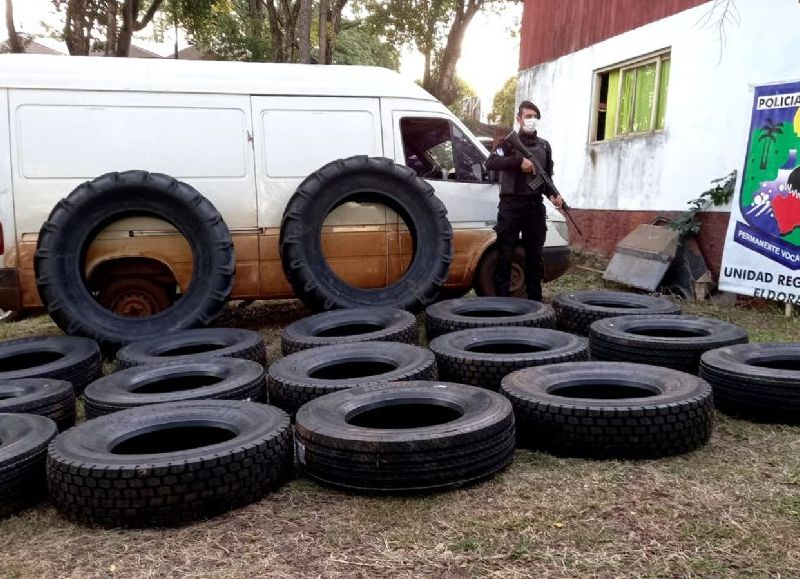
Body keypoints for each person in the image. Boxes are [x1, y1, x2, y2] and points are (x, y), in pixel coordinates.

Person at [485, 100, 563, 302]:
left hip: (534, 207)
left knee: (534, 258)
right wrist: (518, 162)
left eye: (534, 117)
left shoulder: (544, 146)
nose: (531, 120)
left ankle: (535, 304)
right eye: (527, 116)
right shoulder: (508, 143)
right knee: (505, 255)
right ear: (519, 119)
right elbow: (491, 162)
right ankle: (502, 304)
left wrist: (554, 195)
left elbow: (545, 178)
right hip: (510, 206)